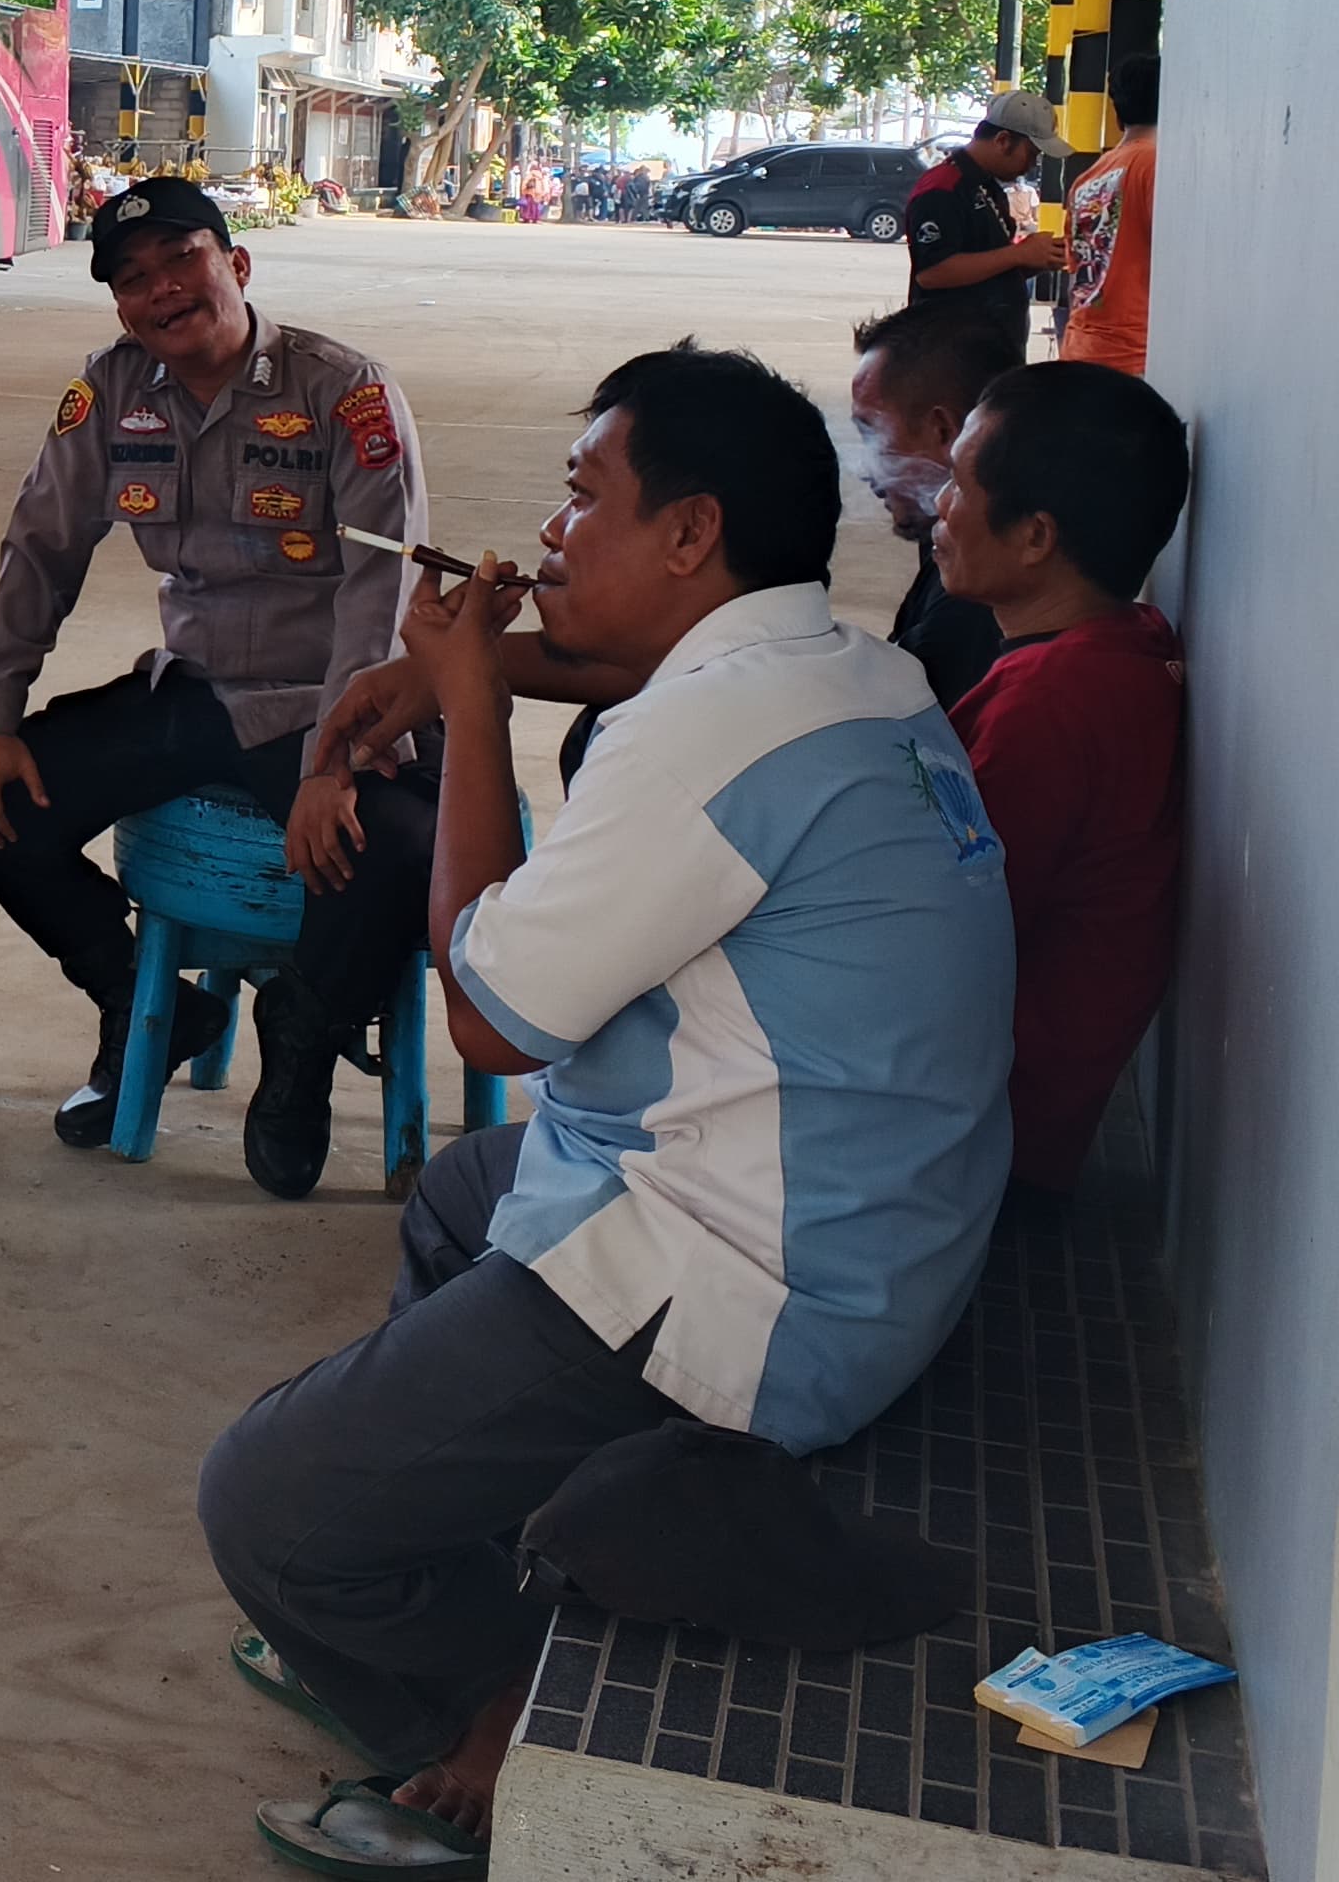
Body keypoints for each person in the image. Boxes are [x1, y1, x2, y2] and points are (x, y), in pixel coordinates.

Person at [204, 345, 1012, 1866]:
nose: (549, 535)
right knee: (464, 1198)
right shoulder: (838, 670)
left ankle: (490, 1719)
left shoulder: (708, 740)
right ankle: (475, 1576)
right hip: (877, 1237)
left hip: (762, 1290)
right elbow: (642, 681)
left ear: (691, 534)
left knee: (265, 1506)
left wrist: (467, 710)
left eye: (583, 498)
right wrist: (467, 668)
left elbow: (490, 1015)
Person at [0, 176, 442, 1200]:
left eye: (182, 259)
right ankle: (141, 1001)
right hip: (198, 691)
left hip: (329, 698)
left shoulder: (342, 391)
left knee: (396, 845)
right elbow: (40, 550)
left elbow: (379, 589)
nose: (161, 288)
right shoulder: (110, 393)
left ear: (236, 264)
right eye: (133, 278)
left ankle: (304, 1033)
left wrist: (335, 760)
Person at [931, 361, 1192, 1193]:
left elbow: (942, 942)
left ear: (1037, 537)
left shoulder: (1051, 703)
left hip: (979, 1134)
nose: (939, 506)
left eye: (958, 485)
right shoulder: (1128, 639)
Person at [846, 297, 1013, 707]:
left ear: (943, 431)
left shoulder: (977, 591)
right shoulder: (964, 549)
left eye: (873, 434)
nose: (865, 469)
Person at [903, 88, 1066, 350]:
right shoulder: (943, 188)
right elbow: (933, 273)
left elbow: (988, 266)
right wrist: (1019, 254)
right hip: (952, 351)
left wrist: (1034, 259)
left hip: (992, 345)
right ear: (1003, 141)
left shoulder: (987, 186)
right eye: (1031, 153)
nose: (1032, 165)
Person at [1059, 54, 1160, 376]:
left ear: (1117, 114)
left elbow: (1077, 272)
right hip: (1136, 359)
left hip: (1080, 349)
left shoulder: (1086, 179)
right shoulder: (1157, 166)